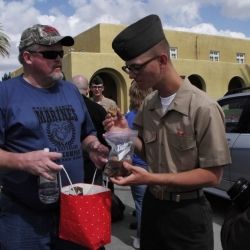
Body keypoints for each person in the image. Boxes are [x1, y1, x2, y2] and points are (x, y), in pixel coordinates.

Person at [104, 14, 232, 250]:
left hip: (188, 215)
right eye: (128, 68)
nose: (131, 75)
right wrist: (126, 134)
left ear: (162, 60)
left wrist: (151, 178)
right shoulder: (149, 103)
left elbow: (213, 175)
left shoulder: (203, 107)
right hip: (153, 210)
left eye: (136, 67)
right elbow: (145, 146)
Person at [0, 24, 108, 250]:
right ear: (27, 57)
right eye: (50, 53)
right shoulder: (5, 93)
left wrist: (94, 147)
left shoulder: (70, 91)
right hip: (23, 216)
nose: (59, 58)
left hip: (75, 207)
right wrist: (23, 161)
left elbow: (86, 134)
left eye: (61, 53)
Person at [125, 80, 152, 249]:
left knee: (141, 205)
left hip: (137, 166)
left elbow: (125, 145)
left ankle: (140, 239)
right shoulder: (154, 113)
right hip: (155, 166)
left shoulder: (130, 117)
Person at [72, 74, 107, 185]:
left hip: (72, 162)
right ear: (87, 90)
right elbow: (107, 135)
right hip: (95, 161)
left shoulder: (64, 109)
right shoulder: (99, 109)